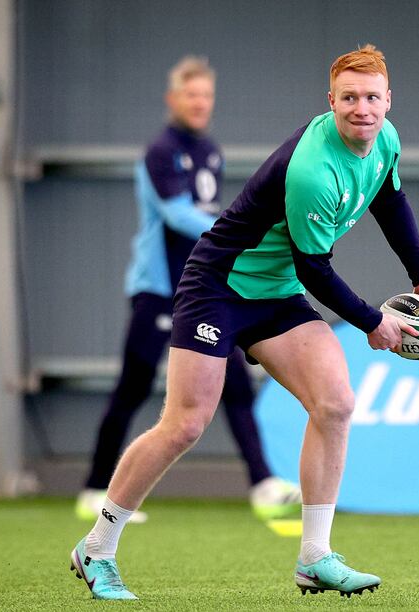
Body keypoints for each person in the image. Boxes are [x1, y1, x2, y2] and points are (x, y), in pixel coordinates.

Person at [69, 44, 419, 600]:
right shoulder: (313, 171)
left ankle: (315, 557)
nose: (361, 109)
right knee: (185, 423)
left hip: (275, 291)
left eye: (372, 97)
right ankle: (97, 547)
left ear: (389, 101)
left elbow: (390, 205)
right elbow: (314, 268)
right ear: (331, 101)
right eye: (349, 97)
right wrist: (373, 322)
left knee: (336, 403)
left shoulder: (384, 142)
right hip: (219, 286)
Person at [74, 55, 301, 527]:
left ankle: (263, 483)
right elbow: (178, 215)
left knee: (237, 384)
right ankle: (94, 489)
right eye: (191, 94)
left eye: (206, 95)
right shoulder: (161, 150)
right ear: (172, 99)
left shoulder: (211, 151)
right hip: (159, 289)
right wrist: (238, 232)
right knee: (134, 386)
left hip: (206, 290)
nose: (200, 103)